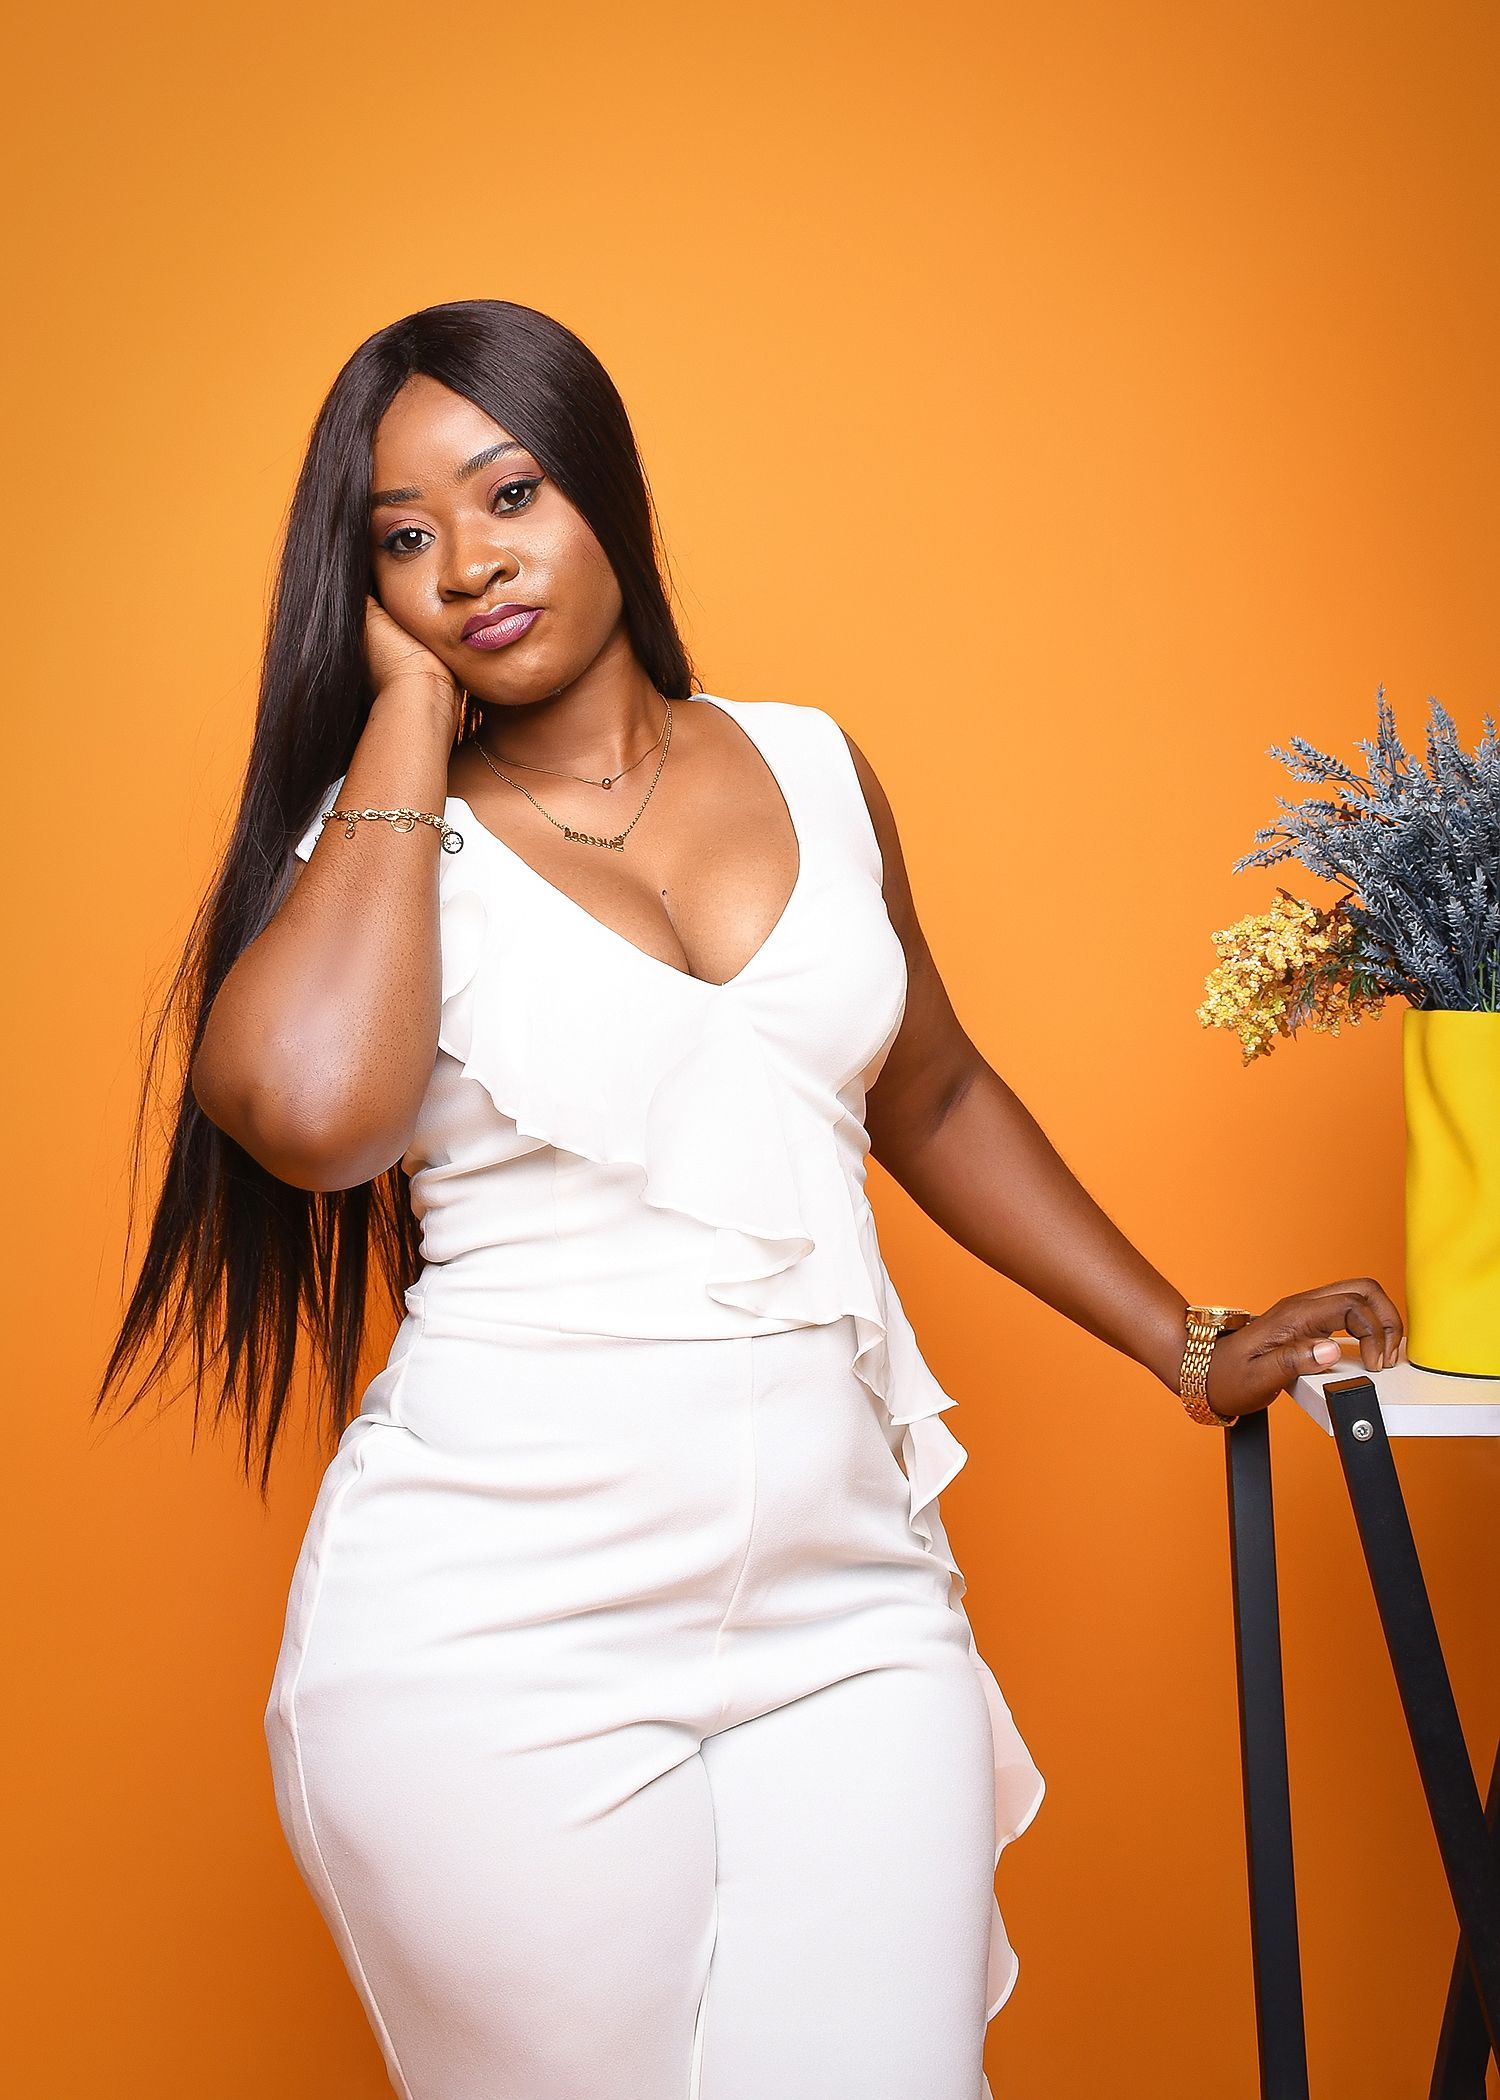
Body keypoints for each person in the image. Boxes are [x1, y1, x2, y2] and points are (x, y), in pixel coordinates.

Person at [96, 298, 1405, 2100]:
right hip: (492, 1640)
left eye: (511, 494)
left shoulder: (805, 761)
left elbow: (926, 1088)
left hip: (845, 1608)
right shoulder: (381, 845)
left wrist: (1186, 1341)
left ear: (605, 492)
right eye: (404, 540)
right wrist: (405, 714)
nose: (471, 561)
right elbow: (315, 1120)